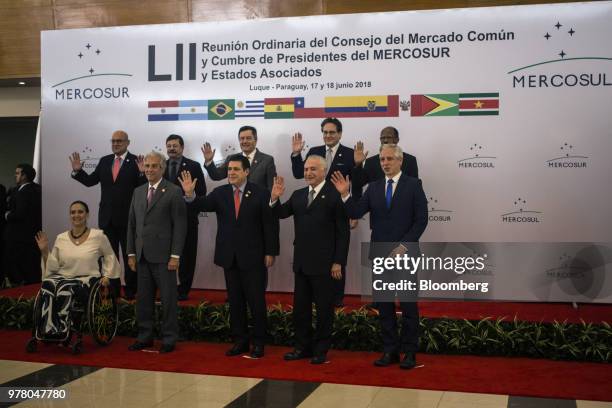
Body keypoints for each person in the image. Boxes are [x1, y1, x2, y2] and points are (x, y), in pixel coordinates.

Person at [331, 144, 428, 369]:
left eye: (389, 159)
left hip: (406, 254)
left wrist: (404, 245)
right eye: (382, 159)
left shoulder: (414, 185)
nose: (385, 163)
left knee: (408, 307)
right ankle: (390, 351)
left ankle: (410, 353)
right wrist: (345, 194)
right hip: (380, 254)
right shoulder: (373, 187)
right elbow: (355, 212)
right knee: (384, 306)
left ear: (400, 160)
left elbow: (421, 220)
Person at [179, 155, 279, 359]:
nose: (231, 172)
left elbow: (270, 224)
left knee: (256, 302)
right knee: (235, 301)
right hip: (229, 257)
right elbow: (201, 205)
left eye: (235, 169)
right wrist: (189, 195)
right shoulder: (220, 192)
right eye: (229, 169)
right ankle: (240, 341)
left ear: (246, 172)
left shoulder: (261, 193)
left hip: (254, 257)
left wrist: (270, 251)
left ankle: (259, 342)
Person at [270, 155, 350, 364]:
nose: (308, 173)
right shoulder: (298, 195)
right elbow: (280, 213)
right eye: (306, 169)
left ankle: (321, 350)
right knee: (301, 310)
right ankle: (302, 348)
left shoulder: (335, 195)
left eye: (313, 169)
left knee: (324, 310)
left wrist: (338, 261)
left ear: (324, 171)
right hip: (302, 264)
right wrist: (274, 198)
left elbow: (343, 232)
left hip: (326, 265)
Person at [70, 130, 146, 300]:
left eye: (119, 141)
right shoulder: (105, 161)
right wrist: (77, 171)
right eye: (113, 141)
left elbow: (143, 190)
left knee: (130, 257)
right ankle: (113, 291)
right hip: (107, 218)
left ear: (128, 142)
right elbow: (90, 181)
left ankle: (132, 291)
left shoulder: (136, 161)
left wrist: (142, 174)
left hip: (128, 219)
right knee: (110, 258)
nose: (115, 144)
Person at [291, 117, 356, 306]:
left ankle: (337, 300)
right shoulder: (314, 152)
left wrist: (353, 211)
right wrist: (296, 155)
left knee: (337, 249)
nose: (328, 135)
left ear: (339, 133)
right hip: (316, 207)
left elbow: (357, 184)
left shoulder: (350, 153)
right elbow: (298, 173)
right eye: (325, 132)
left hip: (340, 206)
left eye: (332, 132)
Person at [126, 151, 186, 354]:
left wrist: (175, 255)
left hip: (165, 257)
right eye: (147, 166)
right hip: (142, 256)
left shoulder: (174, 191)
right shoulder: (137, 191)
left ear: (162, 168)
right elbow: (132, 225)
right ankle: (145, 337)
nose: (149, 170)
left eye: (154, 166)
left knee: (169, 300)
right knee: (143, 299)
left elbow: (180, 225)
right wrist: (131, 253)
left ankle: (169, 338)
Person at [33, 201, 120, 339]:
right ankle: (47, 328)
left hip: (86, 279)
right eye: (73, 212)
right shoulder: (61, 238)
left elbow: (110, 255)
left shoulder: (98, 236)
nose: (76, 215)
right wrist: (44, 251)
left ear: (87, 215)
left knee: (66, 288)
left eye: (80, 212)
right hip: (63, 276)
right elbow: (53, 267)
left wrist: (108, 276)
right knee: (48, 284)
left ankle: (61, 329)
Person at [164, 134, 206, 301]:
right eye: (169, 146)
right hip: (165, 220)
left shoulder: (194, 166)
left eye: (175, 145)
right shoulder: (161, 165)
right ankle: (167, 287)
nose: (171, 148)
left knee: (187, 256)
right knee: (166, 255)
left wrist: (189, 194)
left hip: (187, 218)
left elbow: (202, 192)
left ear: (182, 147)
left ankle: (183, 290)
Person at [351, 126, 419, 200]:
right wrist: (358, 165)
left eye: (389, 137)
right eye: (382, 138)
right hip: (377, 206)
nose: (385, 140)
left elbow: (415, 188)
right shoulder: (371, 162)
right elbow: (358, 184)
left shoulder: (410, 160)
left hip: (403, 205)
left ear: (397, 140)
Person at [203, 125, 277, 191]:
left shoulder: (267, 160)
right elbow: (217, 176)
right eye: (242, 138)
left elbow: (271, 188)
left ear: (255, 140)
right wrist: (209, 161)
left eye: (248, 138)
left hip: (258, 204)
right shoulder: (231, 158)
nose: (244, 141)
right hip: (236, 203)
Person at [3, 164, 42, 286]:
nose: (15, 175)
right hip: (29, 237)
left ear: (24, 175)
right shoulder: (35, 189)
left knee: (18, 266)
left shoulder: (25, 191)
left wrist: (7, 215)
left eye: (17, 173)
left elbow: (20, 213)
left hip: (19, 238)